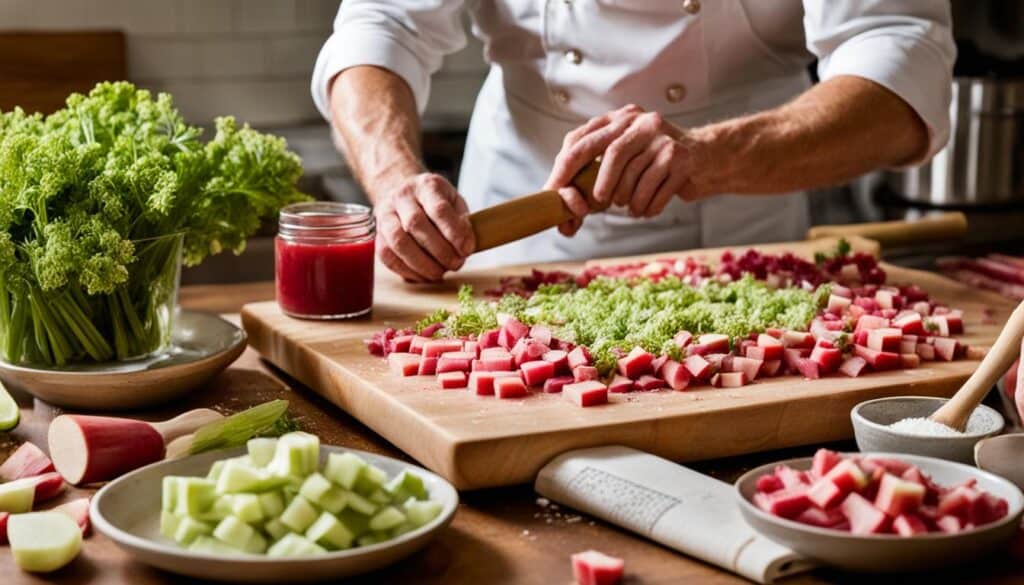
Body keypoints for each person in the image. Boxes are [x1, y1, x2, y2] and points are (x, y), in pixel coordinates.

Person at [312, 1, 955, 283]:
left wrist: (710, 154)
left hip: (736, 243)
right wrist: (394, 177)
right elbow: (383, 23)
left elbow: (900, 65)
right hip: (509, 227)